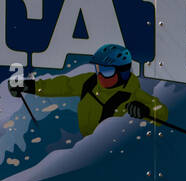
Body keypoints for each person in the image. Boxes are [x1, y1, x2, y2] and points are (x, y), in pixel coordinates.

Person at [9, 44, 168, 135]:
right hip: (87, 150)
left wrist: (145, 110)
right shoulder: (90, 82)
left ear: (122, 73)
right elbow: (62, 85)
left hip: (112, 154)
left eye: (107, 71)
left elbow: (161, 111)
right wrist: (29, 86)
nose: (100, 75)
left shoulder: (132, 95)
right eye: (98, 69)